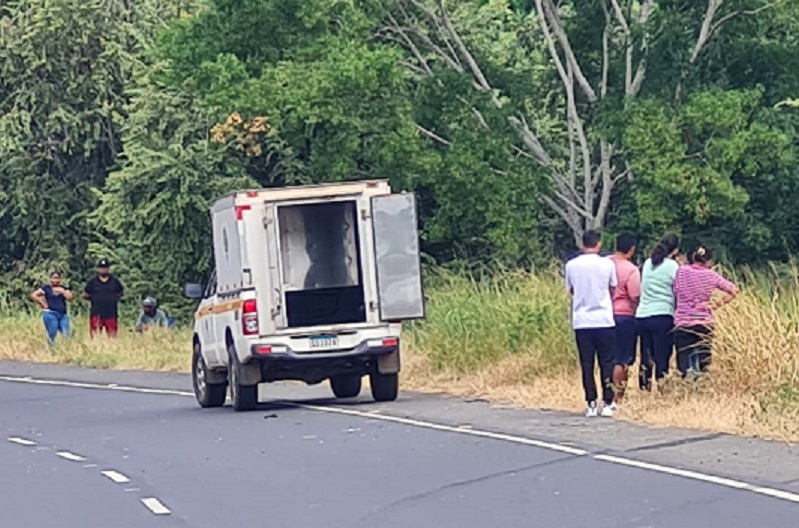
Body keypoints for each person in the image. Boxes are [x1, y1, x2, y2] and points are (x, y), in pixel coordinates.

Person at [565, 230, 618, 418]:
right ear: (599, 244)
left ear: (582, 244)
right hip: (603, 318)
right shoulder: (607, 264)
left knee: (587, 363)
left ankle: (591, 402)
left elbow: (571, 289)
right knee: (607, 362)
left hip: (582, 320)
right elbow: (613, 288)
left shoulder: (572, 265)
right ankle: (608, 401)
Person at [672, 246, 738, 378]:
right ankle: (703, 382)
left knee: (683, 356)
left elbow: (675, 289)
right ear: (708, 261)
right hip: (704, 321)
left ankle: (684, 382)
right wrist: (715, 305)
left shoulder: (682, 271)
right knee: (704, 357)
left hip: (683, 321)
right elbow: (734, 290)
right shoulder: (711, 275)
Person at [636, 234, 681, 390]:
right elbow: (678, 290)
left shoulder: (648, 263)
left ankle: (644, 387)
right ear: (675, 250)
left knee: (646, 354)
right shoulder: (673, 266)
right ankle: (662, 387)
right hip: (662, 315)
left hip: (642, 315)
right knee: (662, 355)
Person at [609, 232, 641, 407]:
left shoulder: (604, 264)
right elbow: (635, 295)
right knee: (621, 359)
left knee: (608, 358)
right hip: (624, 316)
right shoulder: (631, 270)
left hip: (604, 316)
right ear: (632, 250)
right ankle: (618, 398)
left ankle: (606, 394)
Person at [82, 260, 124, 337]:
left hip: (111, 313)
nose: (103, 270)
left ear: (108, 269)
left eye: (105, 268)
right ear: (98, 269)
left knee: (112, 336)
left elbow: (120, 293)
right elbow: (85, 294)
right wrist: (94, 299)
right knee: (95, 336)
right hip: (96, 313)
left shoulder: (115, 281)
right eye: (101, 268)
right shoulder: (92, 281)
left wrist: (112, 299)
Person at [31, 271, 74, 345]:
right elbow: (34, 295)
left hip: (62, 314)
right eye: (54, 278)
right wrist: (43, 304)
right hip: (50, 313)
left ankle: (66, 348)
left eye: (57, 278)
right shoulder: (46, 288)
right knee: (52, 332)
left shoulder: (64, 288)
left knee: (66, 333)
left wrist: (63, 292)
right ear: (50, 279)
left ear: (60, 279)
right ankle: (51, 349)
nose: (56, 280)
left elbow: (70, 298)